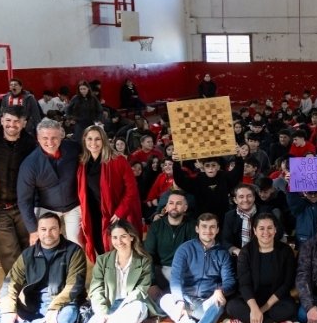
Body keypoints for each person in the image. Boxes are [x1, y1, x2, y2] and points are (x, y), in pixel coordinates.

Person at [0, 211, 87, 323]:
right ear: (38, 232)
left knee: (67, 317)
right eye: (43, 229)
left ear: (60, 230)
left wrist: (55, 307)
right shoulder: (28, 254)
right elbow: (10, 283)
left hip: (62, 305)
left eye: (53, 229)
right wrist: (9, 311)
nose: (48, 234)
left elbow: (74, 285)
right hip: (33, 306)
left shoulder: (74, 251)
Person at [61, 221, 158, 323]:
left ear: (131, 237)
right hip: (108, 306)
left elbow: (141, 289)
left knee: (135, 308)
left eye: (123, 236)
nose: (119, 241)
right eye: (115, 237)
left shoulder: (144, 260)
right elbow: (95, 290)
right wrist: (102, 313)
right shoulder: (102, 260)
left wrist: (121, 308)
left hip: (132, 303)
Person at [159, 213, 236, 323]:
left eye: (212, 227)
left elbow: (230, 281)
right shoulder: (184, 249)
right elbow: (175, 278)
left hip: (205, 304)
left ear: (218, 230)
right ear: (197, 229)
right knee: (165, 299)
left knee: (219, 303)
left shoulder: (223, 253)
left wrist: (220, 290)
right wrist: (179, 301)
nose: (208, 230)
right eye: (204, 227)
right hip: (185, 301)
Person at [223, 213, 302, 323]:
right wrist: (254, 308)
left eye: (270, 228)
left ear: (275, 230)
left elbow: (287, 284)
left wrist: (262, 309)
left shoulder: (286, 251)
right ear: (254, 230)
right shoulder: (246, 252)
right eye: (261, 228)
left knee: (291, 308)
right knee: (232, 306)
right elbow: (244, 284)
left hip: (275, 301)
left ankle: (247, 322)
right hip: (252, 301)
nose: (266, 232)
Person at [0, 105, 37, 273]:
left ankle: (34, 288)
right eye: (8, 120)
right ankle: (17, 293)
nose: (12, 125)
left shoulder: (31, 143)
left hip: (24, 207)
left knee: (30, 249)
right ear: (1, 120)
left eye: (17, 121)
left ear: (24, 123)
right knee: (9, 255)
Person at [75, 125, 143, 262]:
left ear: (104, 140)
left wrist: (120, 212)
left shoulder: (118, 160)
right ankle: (107, 276)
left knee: (118, 248)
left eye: (97, 139)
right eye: (89, 139)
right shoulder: (83, 163)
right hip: (93, 213)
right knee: (100, 246)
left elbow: (131, 189)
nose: (93, 143)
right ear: (84, 140)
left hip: (114, 214)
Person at [18, 118, 83, 246]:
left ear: (61, 136)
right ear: (38, 138)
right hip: (46, 207)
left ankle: (74, 265)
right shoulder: (29, 165)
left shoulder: (74, 149)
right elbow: (24, 200)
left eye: (54, 137)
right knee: (46, 244)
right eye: (45, 138)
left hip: (73, 205)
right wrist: (32, 230)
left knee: (77, 243)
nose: (50, 142)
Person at [144, 190, 196, 303]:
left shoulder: (192, 226)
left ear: (185, 208)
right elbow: (148, 256)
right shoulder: (156, 226)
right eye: (171, 203)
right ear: (166, 207)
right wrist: (152, 283)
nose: (174, 206)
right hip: (161, 270)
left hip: (183, 271)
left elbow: (195, 255)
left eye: (178, 203)